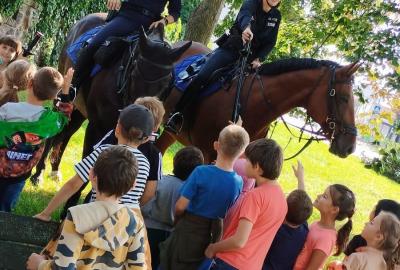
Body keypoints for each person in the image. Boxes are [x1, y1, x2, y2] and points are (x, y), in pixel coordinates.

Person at [165, 0, 282, 134]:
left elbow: (271, 42)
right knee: (203, 76)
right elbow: (245, 16)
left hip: (250, 61)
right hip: (231, 50)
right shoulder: (251, 3)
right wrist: (246, 28)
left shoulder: (276, 15)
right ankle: (176, 114)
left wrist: (259, 58)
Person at [26, 146, 148, 269]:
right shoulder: (135, 222)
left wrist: (39, 264)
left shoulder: (77, 216)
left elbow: (63, 267)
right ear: (133, 186)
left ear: (91, 175)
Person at [34, 103, 154, 221]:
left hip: (96, 219)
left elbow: (74, 184)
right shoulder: (145, 163)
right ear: (147, 138)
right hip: (125, 225)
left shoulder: (105, 152)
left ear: (117, 128)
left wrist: (46, 213)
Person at [159, 124, 250, 270]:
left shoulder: (201, 172)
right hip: (210, 237)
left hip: (187, 230)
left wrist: (177, 220)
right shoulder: (238, 182)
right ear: (241, 153)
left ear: (216, 145)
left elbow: (180, 206)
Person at [204, 138, 287, 270]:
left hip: (230, 262)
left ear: (258, 168)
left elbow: (239, 241)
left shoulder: (255, 196)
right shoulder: (282, 199)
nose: (243, 162)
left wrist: (213, 248)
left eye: (247, 160)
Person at [0, 66, 73, 212]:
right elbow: (65, 116)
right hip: (20, 175)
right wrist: (65, 91)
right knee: (5, 210)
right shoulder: (50, 121)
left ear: (30, 83)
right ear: (53, 97)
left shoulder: (7, 109)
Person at [69, 0, 181, 94]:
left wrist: (165, 21)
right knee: (94, 44)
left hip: (152, 27)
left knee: (170, 69)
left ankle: (164, 113)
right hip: (128, 17)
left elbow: (175, 12)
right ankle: (72, 88)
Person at [93, 96, 166, 205]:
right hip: (127, 212)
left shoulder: (114, 136)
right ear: (154, 128)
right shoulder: (155, 154)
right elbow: (149, 192)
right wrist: (134, 205)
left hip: (98, 199)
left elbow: (92, 163)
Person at [141, 146, 204, 270]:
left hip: (148, 229)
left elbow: (146, 205)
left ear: (175, 161)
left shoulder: (160, 181)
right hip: (171, 234)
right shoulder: (189, 192)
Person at [262, 161, 313, 270]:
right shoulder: (303, 227)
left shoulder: (276, 228)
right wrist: (300, 178)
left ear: (284, 209)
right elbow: (301, 204)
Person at [293, 183, 356, 270]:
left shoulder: (326, 238)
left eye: (325, 196)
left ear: (334, 209)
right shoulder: (316, 224)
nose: (318, 196)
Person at [327, 211, 400, 270]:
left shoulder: (357, 258)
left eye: (371, 223)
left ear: (378, 236)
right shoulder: (384, 263)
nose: (366, 223)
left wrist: (336, 265)